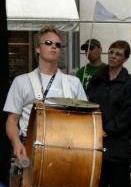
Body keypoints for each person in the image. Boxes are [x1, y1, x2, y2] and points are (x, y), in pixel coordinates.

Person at [4, 25, 87, 162]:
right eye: (48, 43)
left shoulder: (74, 82)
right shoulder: (21, 81)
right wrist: (16, 142)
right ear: (37, 48)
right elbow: (12, 121)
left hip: (66, 151)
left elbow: (84, 119)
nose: (53, 46)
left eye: (58, 44)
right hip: (30, 148)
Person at [87, 40, 131, 187]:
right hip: (96, 142)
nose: (113, 56)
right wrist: (95, 128)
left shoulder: (130, 83)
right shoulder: (97, 79)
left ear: (125, 59)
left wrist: (107, 129)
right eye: (111, 52)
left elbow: (128, 114)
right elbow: (89, 104)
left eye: (118, 54)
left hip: (119, 146)